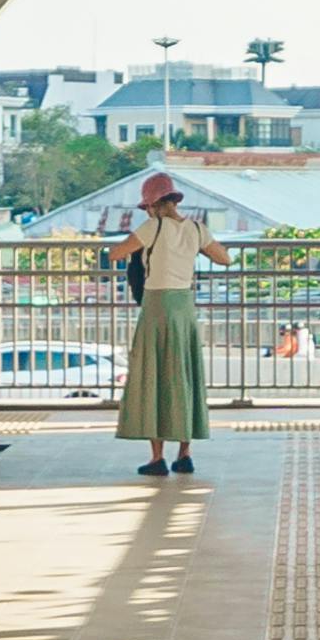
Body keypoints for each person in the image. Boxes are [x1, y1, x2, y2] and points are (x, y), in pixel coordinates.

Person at [113, 171, 209, 478]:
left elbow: (116, 253)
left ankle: (157, 459)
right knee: (183, 374)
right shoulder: (196, 228)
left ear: (154, 204)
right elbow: (224, 258)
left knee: (153, 377)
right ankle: (185, 454)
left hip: (156, 307)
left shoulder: (152, 227)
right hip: (184, 307)